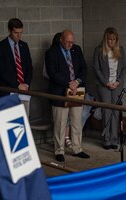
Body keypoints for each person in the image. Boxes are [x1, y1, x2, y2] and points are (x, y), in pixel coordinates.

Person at [45, 29, 90, 162]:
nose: (70, 44)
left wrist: (77, 82)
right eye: (67, 42)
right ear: (61, 39)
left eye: (72, 42)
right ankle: (59, 150)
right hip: (60, 91)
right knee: (60, 122)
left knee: (76, 121)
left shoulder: (77, 49)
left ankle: (77, 148)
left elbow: (84, 68)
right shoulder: (51, 53)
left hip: (77, 91)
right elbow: (52, 73)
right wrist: (68, 83)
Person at [93, 27, 126, 150]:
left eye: (114, 39)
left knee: (115, 111)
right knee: (106, 111)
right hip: (104, 86)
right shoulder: (99, 50)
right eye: (109, 39)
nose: (111, 41)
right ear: (105, 39)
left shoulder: (120, 50)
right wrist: (106, 82)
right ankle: (106, 139)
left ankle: (114, 139)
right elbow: (96, 69)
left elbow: (124, 68)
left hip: (117, 85)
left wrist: (118, 81)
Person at [0, 18, 33, 116]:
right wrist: (17, 85)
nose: (19, 36)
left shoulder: (24, 46)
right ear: (10, 30)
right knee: (9, 124)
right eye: (16, 33)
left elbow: (29, 67)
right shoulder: (0, 47)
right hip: (8, 91)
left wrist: (26, 85)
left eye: (21, 32)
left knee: (24, 123)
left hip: (24, 91)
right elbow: (2, 71)